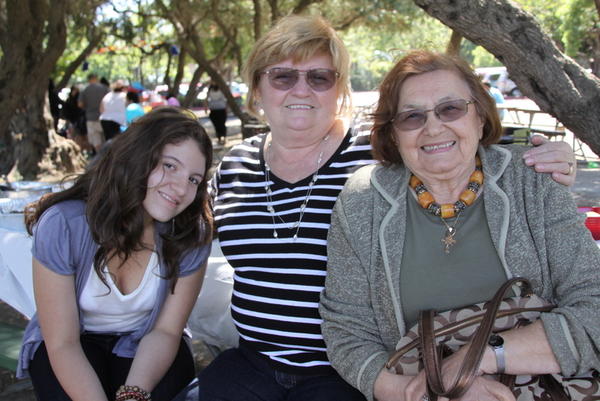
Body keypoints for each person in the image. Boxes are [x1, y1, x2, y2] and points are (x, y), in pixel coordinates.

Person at [185, 15, 578, 401]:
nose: (300, 90)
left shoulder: (376, 153)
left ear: (339, 88)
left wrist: (550, 157)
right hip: (254, 361)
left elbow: (457, 138)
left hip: (347, 368)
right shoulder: (234, 166)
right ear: (257, 87)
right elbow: (181, 231)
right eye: (282, 76)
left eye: (319, 77)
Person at [319, 50, 600, 401]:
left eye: (450, 109)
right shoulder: (362, 200)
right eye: (411, 116)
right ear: (393, 134)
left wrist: (481, 357)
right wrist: (420, 393)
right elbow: (347, 330)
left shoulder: (534, 181)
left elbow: (594, 303)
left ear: (480, 117)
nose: (433, 127)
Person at [17, 107, 214, 401]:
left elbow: (166, 332)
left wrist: (134, 394)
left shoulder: (190, 233)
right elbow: (62, 342)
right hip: (74, 342)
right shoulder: (64, 224)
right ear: (136, 157)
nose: (181, 188)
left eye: (194, 179)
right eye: (170, 166)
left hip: (148, 341)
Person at [79, 74, 110, 153]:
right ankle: (106, 157)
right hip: (104, 117)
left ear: (89, 80)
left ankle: (99, 157)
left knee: (96, 142)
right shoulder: (104, 88)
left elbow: (80, 104)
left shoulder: (85, 90)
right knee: (105, 139)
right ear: (96, 78)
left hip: (91, 118)